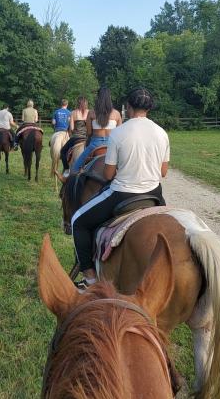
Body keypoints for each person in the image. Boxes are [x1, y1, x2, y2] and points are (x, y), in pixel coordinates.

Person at [71, 86, 170, 290]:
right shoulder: (162, 133)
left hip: (122, 194)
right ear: (149, 108)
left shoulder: (119, 133)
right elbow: (163, 172)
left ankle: (89, 279)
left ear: (128, 106)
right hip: (154, 194)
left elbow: (108, 175)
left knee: (78, 221)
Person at [71, 87, 122, 173]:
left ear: (98, 98)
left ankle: (67, 178)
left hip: (95, 144)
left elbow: (89, 133)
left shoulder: (91, 113)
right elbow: (120, 134)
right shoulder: (116, 114)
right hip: (112, 145)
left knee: (75, 167)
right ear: (109, 98)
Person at [59, 96, 89, 174]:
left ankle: (66, 169)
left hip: (76, 138)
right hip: (87, 138)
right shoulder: (89, 112)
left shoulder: (73, 113)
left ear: (77, 103)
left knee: (62, 151)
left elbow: (72, 128)